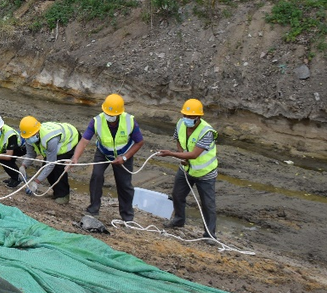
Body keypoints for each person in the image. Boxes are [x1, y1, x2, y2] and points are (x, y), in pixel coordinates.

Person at [69, 93, 144, 221]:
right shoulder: (96, 121)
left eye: (112, 115)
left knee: (124, 184)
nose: (109, 117)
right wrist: (75, 158)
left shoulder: (129, 121)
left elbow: (139, 142)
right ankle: (93, 209)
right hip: (103, 153)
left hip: (123, 154)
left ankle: (127, 217)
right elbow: (84, 141)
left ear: (119, 114)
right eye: (107, 114)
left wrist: (125, 158)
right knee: (96, 176)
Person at [156, 99, 218, 239]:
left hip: (205, 174)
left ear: (198, 117)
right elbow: (178, 138)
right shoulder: (180, 124)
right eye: (185, 116)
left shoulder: (206, 132)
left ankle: (210, 235)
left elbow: (195, 154)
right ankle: (179, 220)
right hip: (186, 169)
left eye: (190, 117)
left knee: (208, 204)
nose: (187, 119)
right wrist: (181, 155)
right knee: (177, 195)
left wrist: (172, 154)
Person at [19, 116, 79, 204]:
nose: (29, 139)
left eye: (31, 136)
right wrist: (23, 166)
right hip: (58, 142)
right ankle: (56, 193)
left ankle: (63, 195)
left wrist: (36, 182)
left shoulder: (50, 140)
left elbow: (51, 164)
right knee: (46, 166)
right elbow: (31, 154)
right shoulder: (28, 137)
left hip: (70, 139)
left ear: (37, 132)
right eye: (27, 137)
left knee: (57, 166)